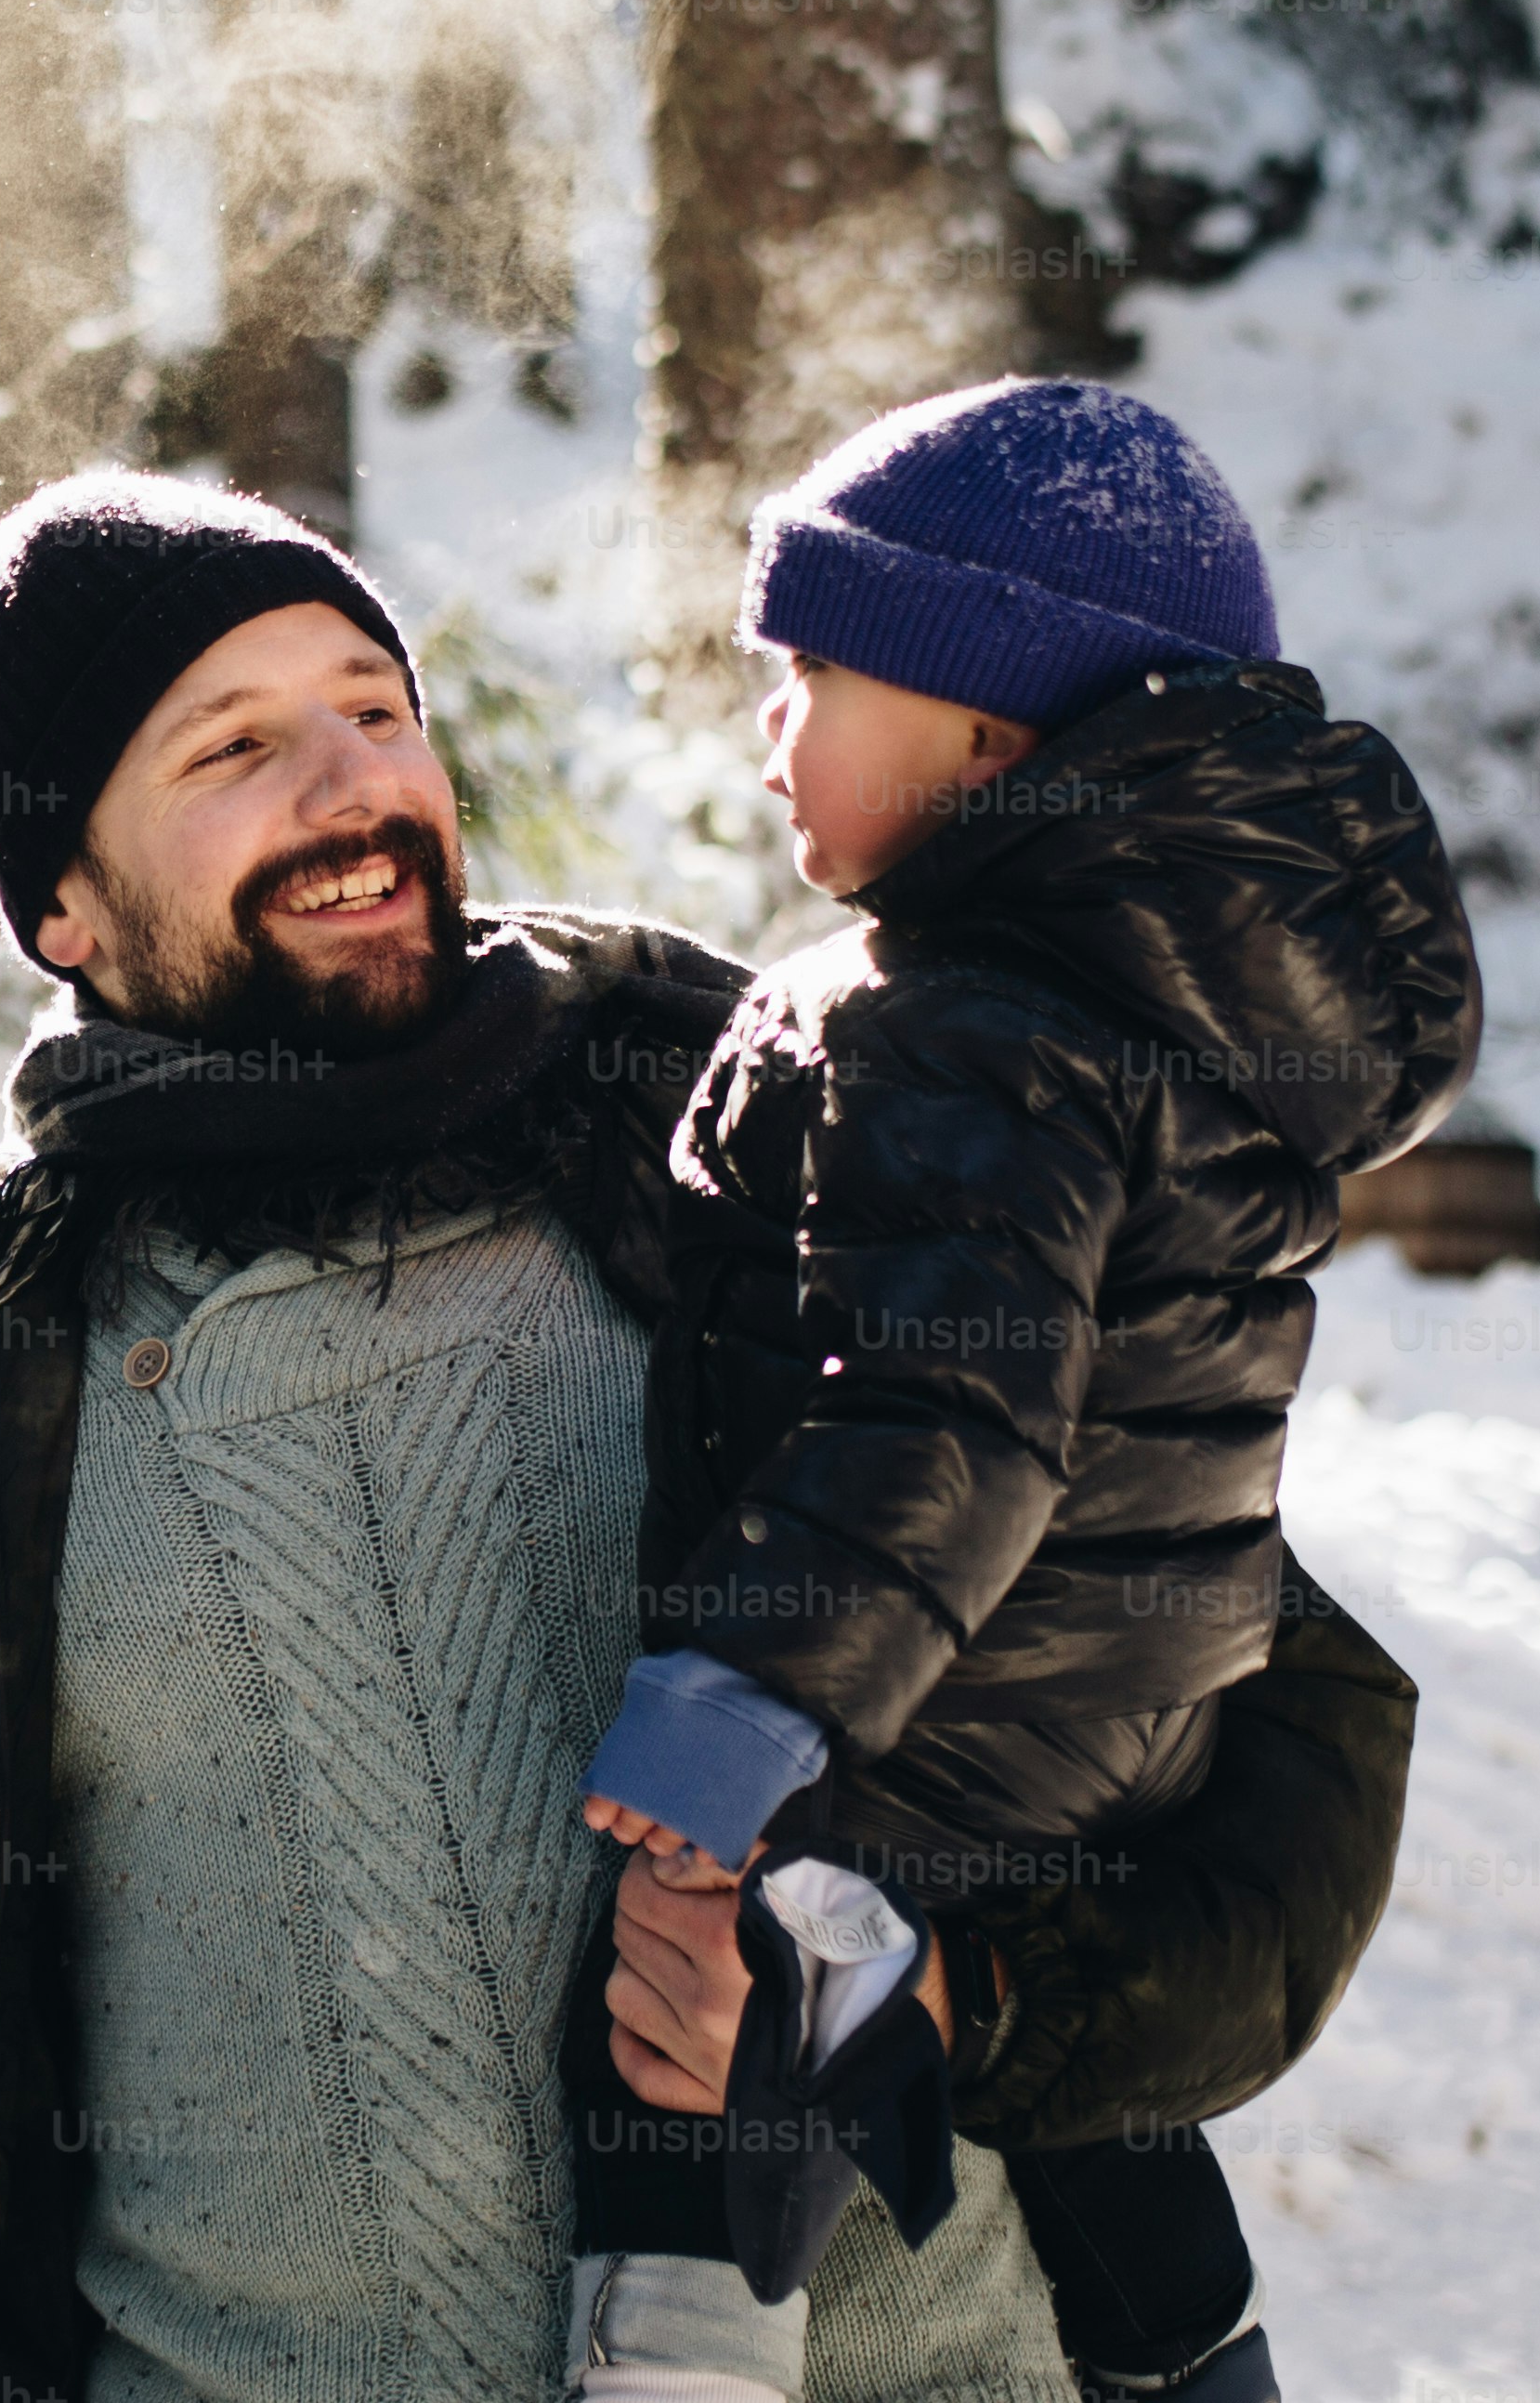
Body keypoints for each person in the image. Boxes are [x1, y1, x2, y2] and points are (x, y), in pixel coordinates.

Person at [0, 470, 1425, 2403]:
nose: (353, 786)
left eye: (379, 710)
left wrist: (959, 2001)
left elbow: (1276, 1731)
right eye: (238, 746)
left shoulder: (770, 1130)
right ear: (61, 896)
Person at [564, 377, 1481, 2403]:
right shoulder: (1183, 1020)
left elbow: (948, 1420)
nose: (771, 721)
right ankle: (1187, 2354)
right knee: (1105, 2133)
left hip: (932, 1724)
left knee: (677, 2012)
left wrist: (738, 1704)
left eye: (812, 667)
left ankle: (679, 2351)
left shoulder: (954, 1028)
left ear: (991, 729)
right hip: (1138, 1718)